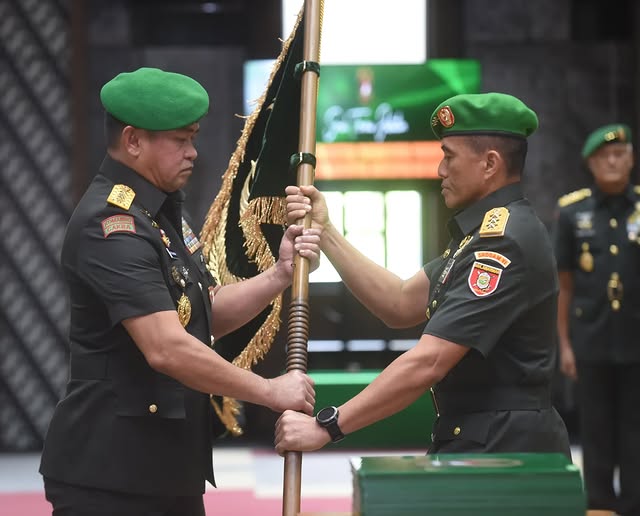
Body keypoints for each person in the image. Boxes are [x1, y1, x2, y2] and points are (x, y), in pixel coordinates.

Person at [39, 67, 321, 516]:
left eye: (193, 138)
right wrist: (269, 392)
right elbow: (166, 348)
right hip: (112, 478)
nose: (193, 153)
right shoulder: (111, 224)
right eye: (180, 140)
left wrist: (279, 275)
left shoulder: (159, 212)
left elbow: (200, 311)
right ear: (133, 141)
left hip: (162, 467)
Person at [275, 92, 571, 459]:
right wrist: (326, 231)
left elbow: (429, 361)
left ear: (490, 164)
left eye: (448, 157)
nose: (440, 171)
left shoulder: (503, 241)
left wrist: (327, 425)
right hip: (479, 438)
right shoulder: (476, 238)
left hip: (507, 450)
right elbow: (399, 302)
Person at [553, 123, 640, 515]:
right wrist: (565, 345)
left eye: (620, 153)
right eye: (605, 155)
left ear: (632, 159)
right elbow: (565, 287)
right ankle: (600, 502)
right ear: (590, 163)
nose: (613, 160)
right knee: (596, 426)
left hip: (635, 338)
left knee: (635, 428)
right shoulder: (574, 212)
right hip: (591, 338)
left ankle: (634, 502)